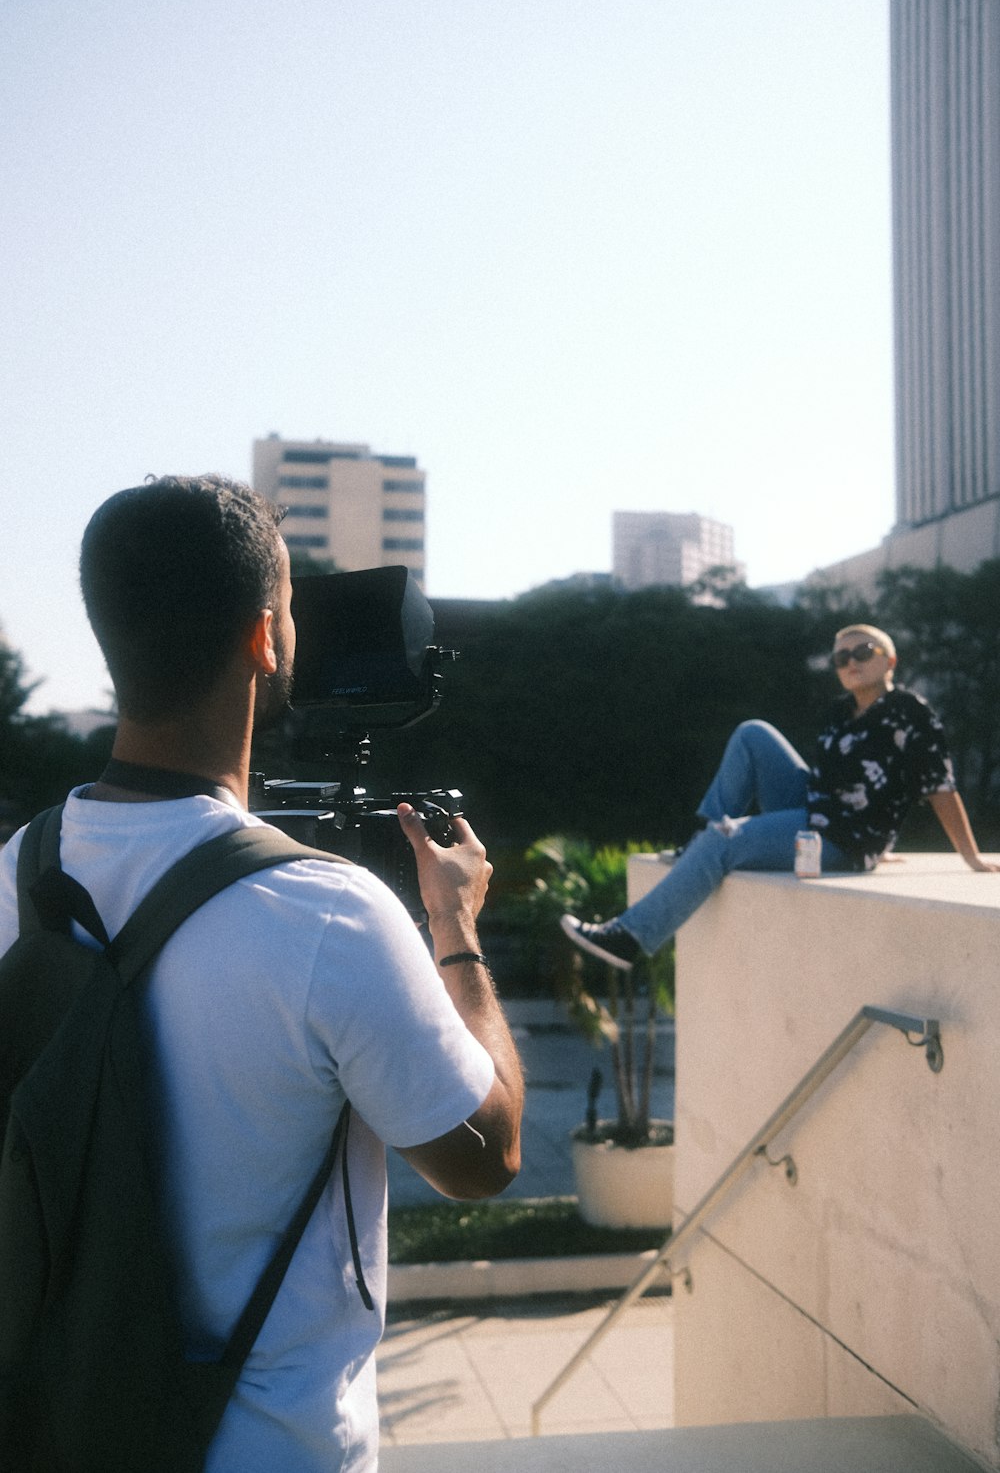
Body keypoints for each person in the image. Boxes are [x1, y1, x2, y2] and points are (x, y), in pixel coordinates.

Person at [0, 476, 524, 1472]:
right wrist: (452, 923)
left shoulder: (16, 870)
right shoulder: (327, 912)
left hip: (58, 1428)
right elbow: (482, 1156)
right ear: (266, 639)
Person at [562, 622, 998, 972]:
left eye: (863, 652)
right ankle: (702, 838)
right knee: (753, 733)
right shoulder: (839, 712)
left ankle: (630, 939)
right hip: (817, 811)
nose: (851, 663)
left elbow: (939, 786)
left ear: (890, 660)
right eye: (842, 657)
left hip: (842, 839)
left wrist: (971, 858)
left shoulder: (911, 713)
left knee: (725, 839)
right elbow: (833, 782)